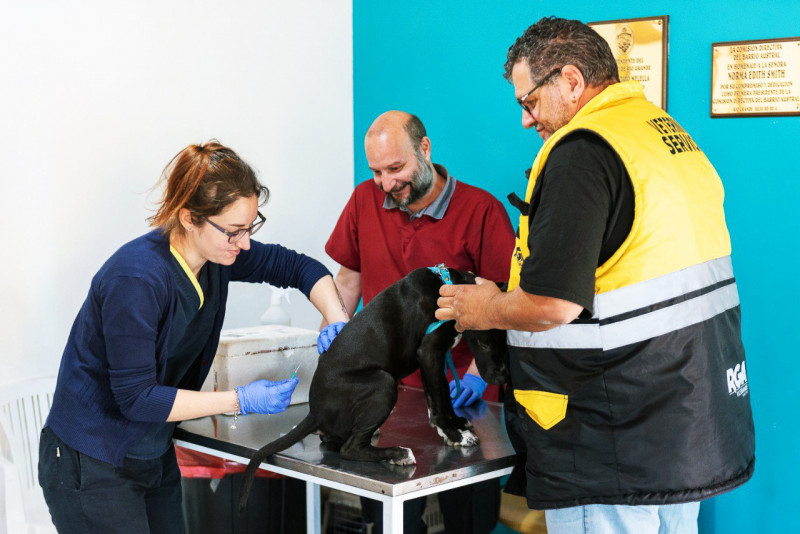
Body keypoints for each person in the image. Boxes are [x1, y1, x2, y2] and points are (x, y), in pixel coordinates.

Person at [435, 17, 755, 534]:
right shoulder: (663, 135)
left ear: (570, 80)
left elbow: (552, 305)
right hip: (687, 421)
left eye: (529, 102)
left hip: (610, 435)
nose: (525, 120)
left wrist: (485, 308)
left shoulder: (581, 154)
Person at [38, 141, 349, 534]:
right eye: (234, 231)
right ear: (189, 218)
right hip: (93, 458)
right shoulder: (137, 279)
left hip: (150, 450)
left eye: (251, 227)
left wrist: (337, 317)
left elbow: (299, 267)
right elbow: (137, 398)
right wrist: (241, 400)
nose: (246, 243)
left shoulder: (218, 255)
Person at [325, 110, 515, 533]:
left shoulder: (481, 211)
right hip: (386, 397)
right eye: (376, 171)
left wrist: (476, 377)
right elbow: (348, 278)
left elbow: (504, 303)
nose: (386, 184)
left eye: (396, 168)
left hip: (463, 398)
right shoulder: (363, 200)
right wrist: (333, 327)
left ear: (425, 150)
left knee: (467, 521)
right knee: (391, 522)